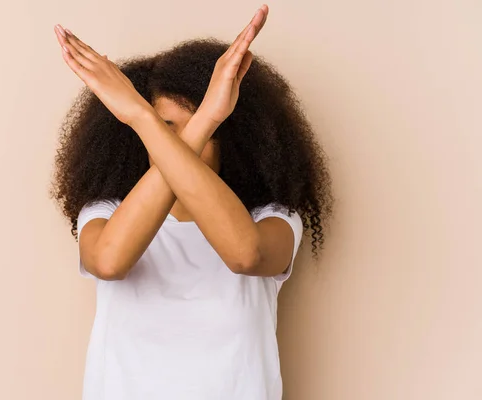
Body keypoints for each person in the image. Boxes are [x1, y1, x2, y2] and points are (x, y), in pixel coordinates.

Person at [50, 4, 333, 399]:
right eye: (166, 129)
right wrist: (151, 118)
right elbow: (109, 261)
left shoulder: (272, 219)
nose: (183, 144)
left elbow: (245, 255)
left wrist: (144, 117)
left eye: (203, 128)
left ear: (232, 138)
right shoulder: (108, 213)